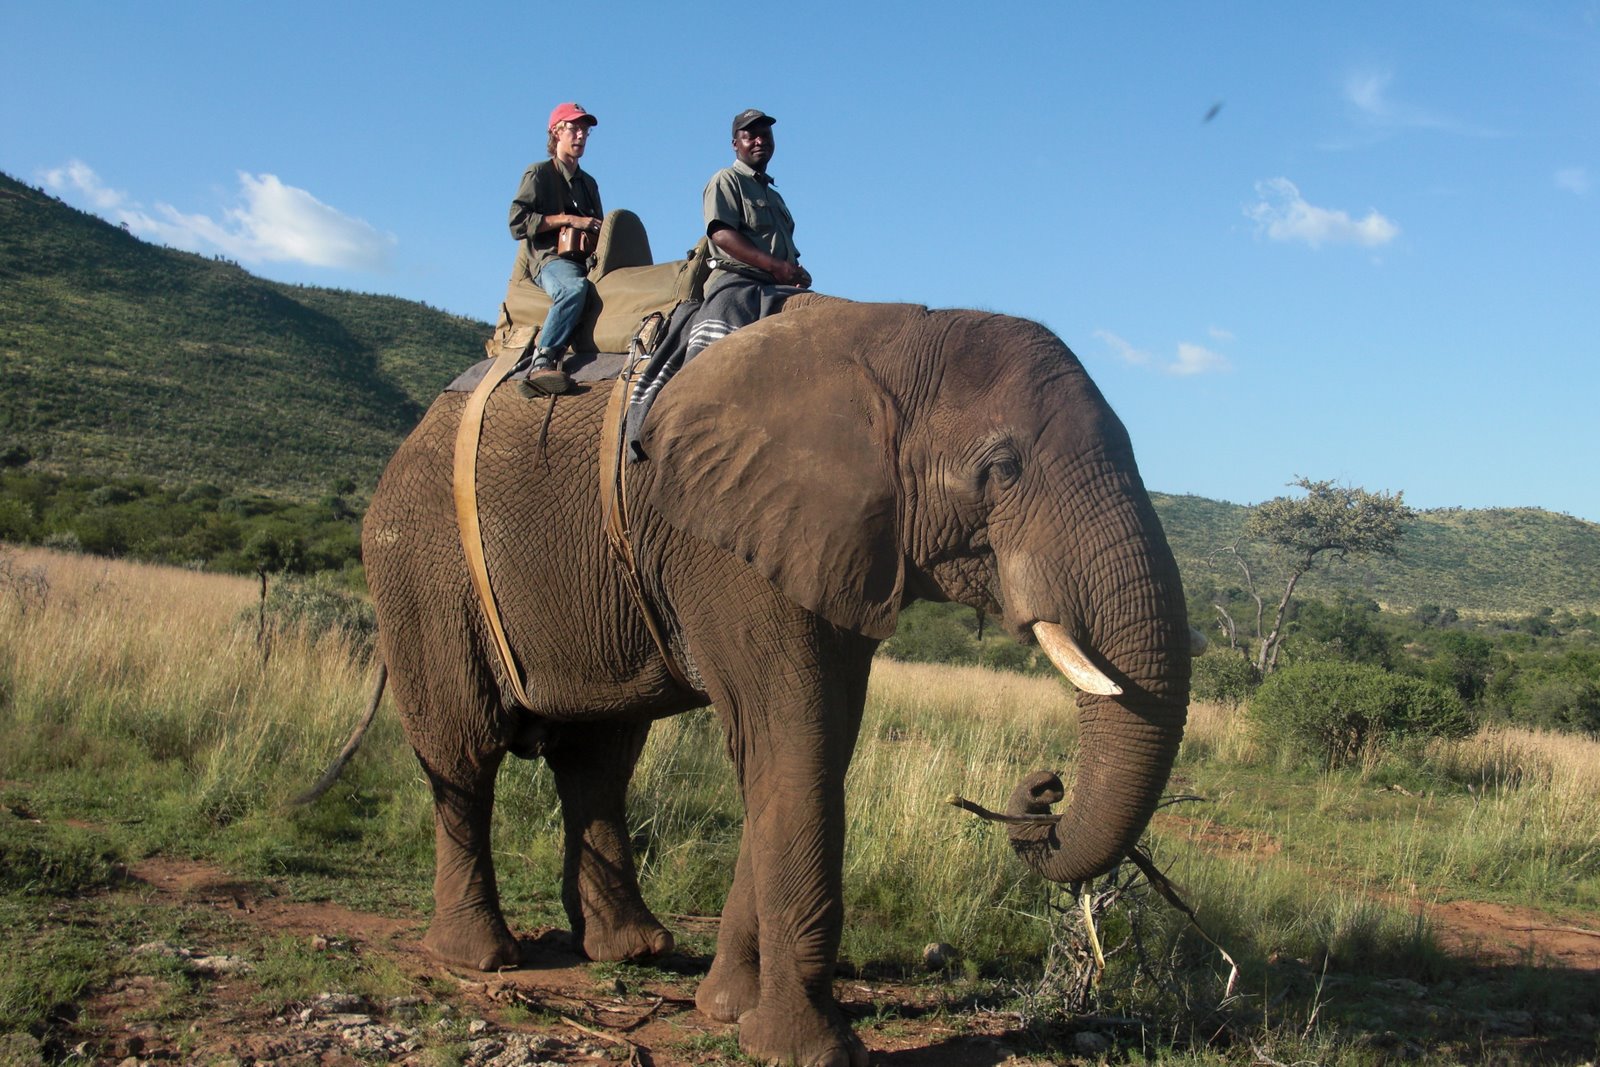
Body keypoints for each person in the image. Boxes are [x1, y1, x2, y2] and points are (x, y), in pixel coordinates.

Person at [693, 108, 810, 352]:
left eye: (766, 135)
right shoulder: (726, 179)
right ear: (736, 144)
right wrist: (775, 266)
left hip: (777, 285)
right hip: (738, 282)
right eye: (751, 136)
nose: (760, 141)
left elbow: (786, 250)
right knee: (721, 347)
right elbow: (721, 233)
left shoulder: (776, 197)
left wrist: (796, 273)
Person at [508, 102, 604, 395]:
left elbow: (599, 225)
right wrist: (568, 219)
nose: (580, 136)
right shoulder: (538, 173)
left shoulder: (588, 183)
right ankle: (543, 359)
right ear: (556, 132)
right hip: (551, 259)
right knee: (574, 289)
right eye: (573, 128)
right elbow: (517, 222)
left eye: (585, 130)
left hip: (587, 259)